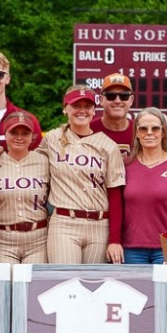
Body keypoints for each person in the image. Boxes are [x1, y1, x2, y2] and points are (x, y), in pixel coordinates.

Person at [42, 87, 127, 263]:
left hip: (99, 223)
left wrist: (115, 239)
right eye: (76, 105)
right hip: (64, 222)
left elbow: (115, 196)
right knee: (65, 283)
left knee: (92, 286)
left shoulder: (108, 145)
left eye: (87, 106)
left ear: (94, 110)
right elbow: (26, 155)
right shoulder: (51, 139)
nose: (82, 110)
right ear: (65, 108)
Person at [118, 109, 167, 266]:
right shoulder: (125, 165)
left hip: (165, 247)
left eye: (155, 128)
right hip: (131, 248)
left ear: (164, 132)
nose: (149, 133)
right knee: (135, 292)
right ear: (137, 132)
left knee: (164, 292)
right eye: (143, 129)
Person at [0, 108, 51, 264]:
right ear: (4, 134)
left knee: (33, 287)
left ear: (33, 137)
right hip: (2, 238)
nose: (19, 137)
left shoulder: (44, 160)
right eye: (14, 132)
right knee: (2, 287)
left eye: (25, 133)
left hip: (38, 239)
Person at [96, 72, 136, 154]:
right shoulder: (88, 131)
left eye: (124, 96)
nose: (117, 101)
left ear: (131, 100)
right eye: (111, 95)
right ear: (101, 100)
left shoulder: (141, 131)